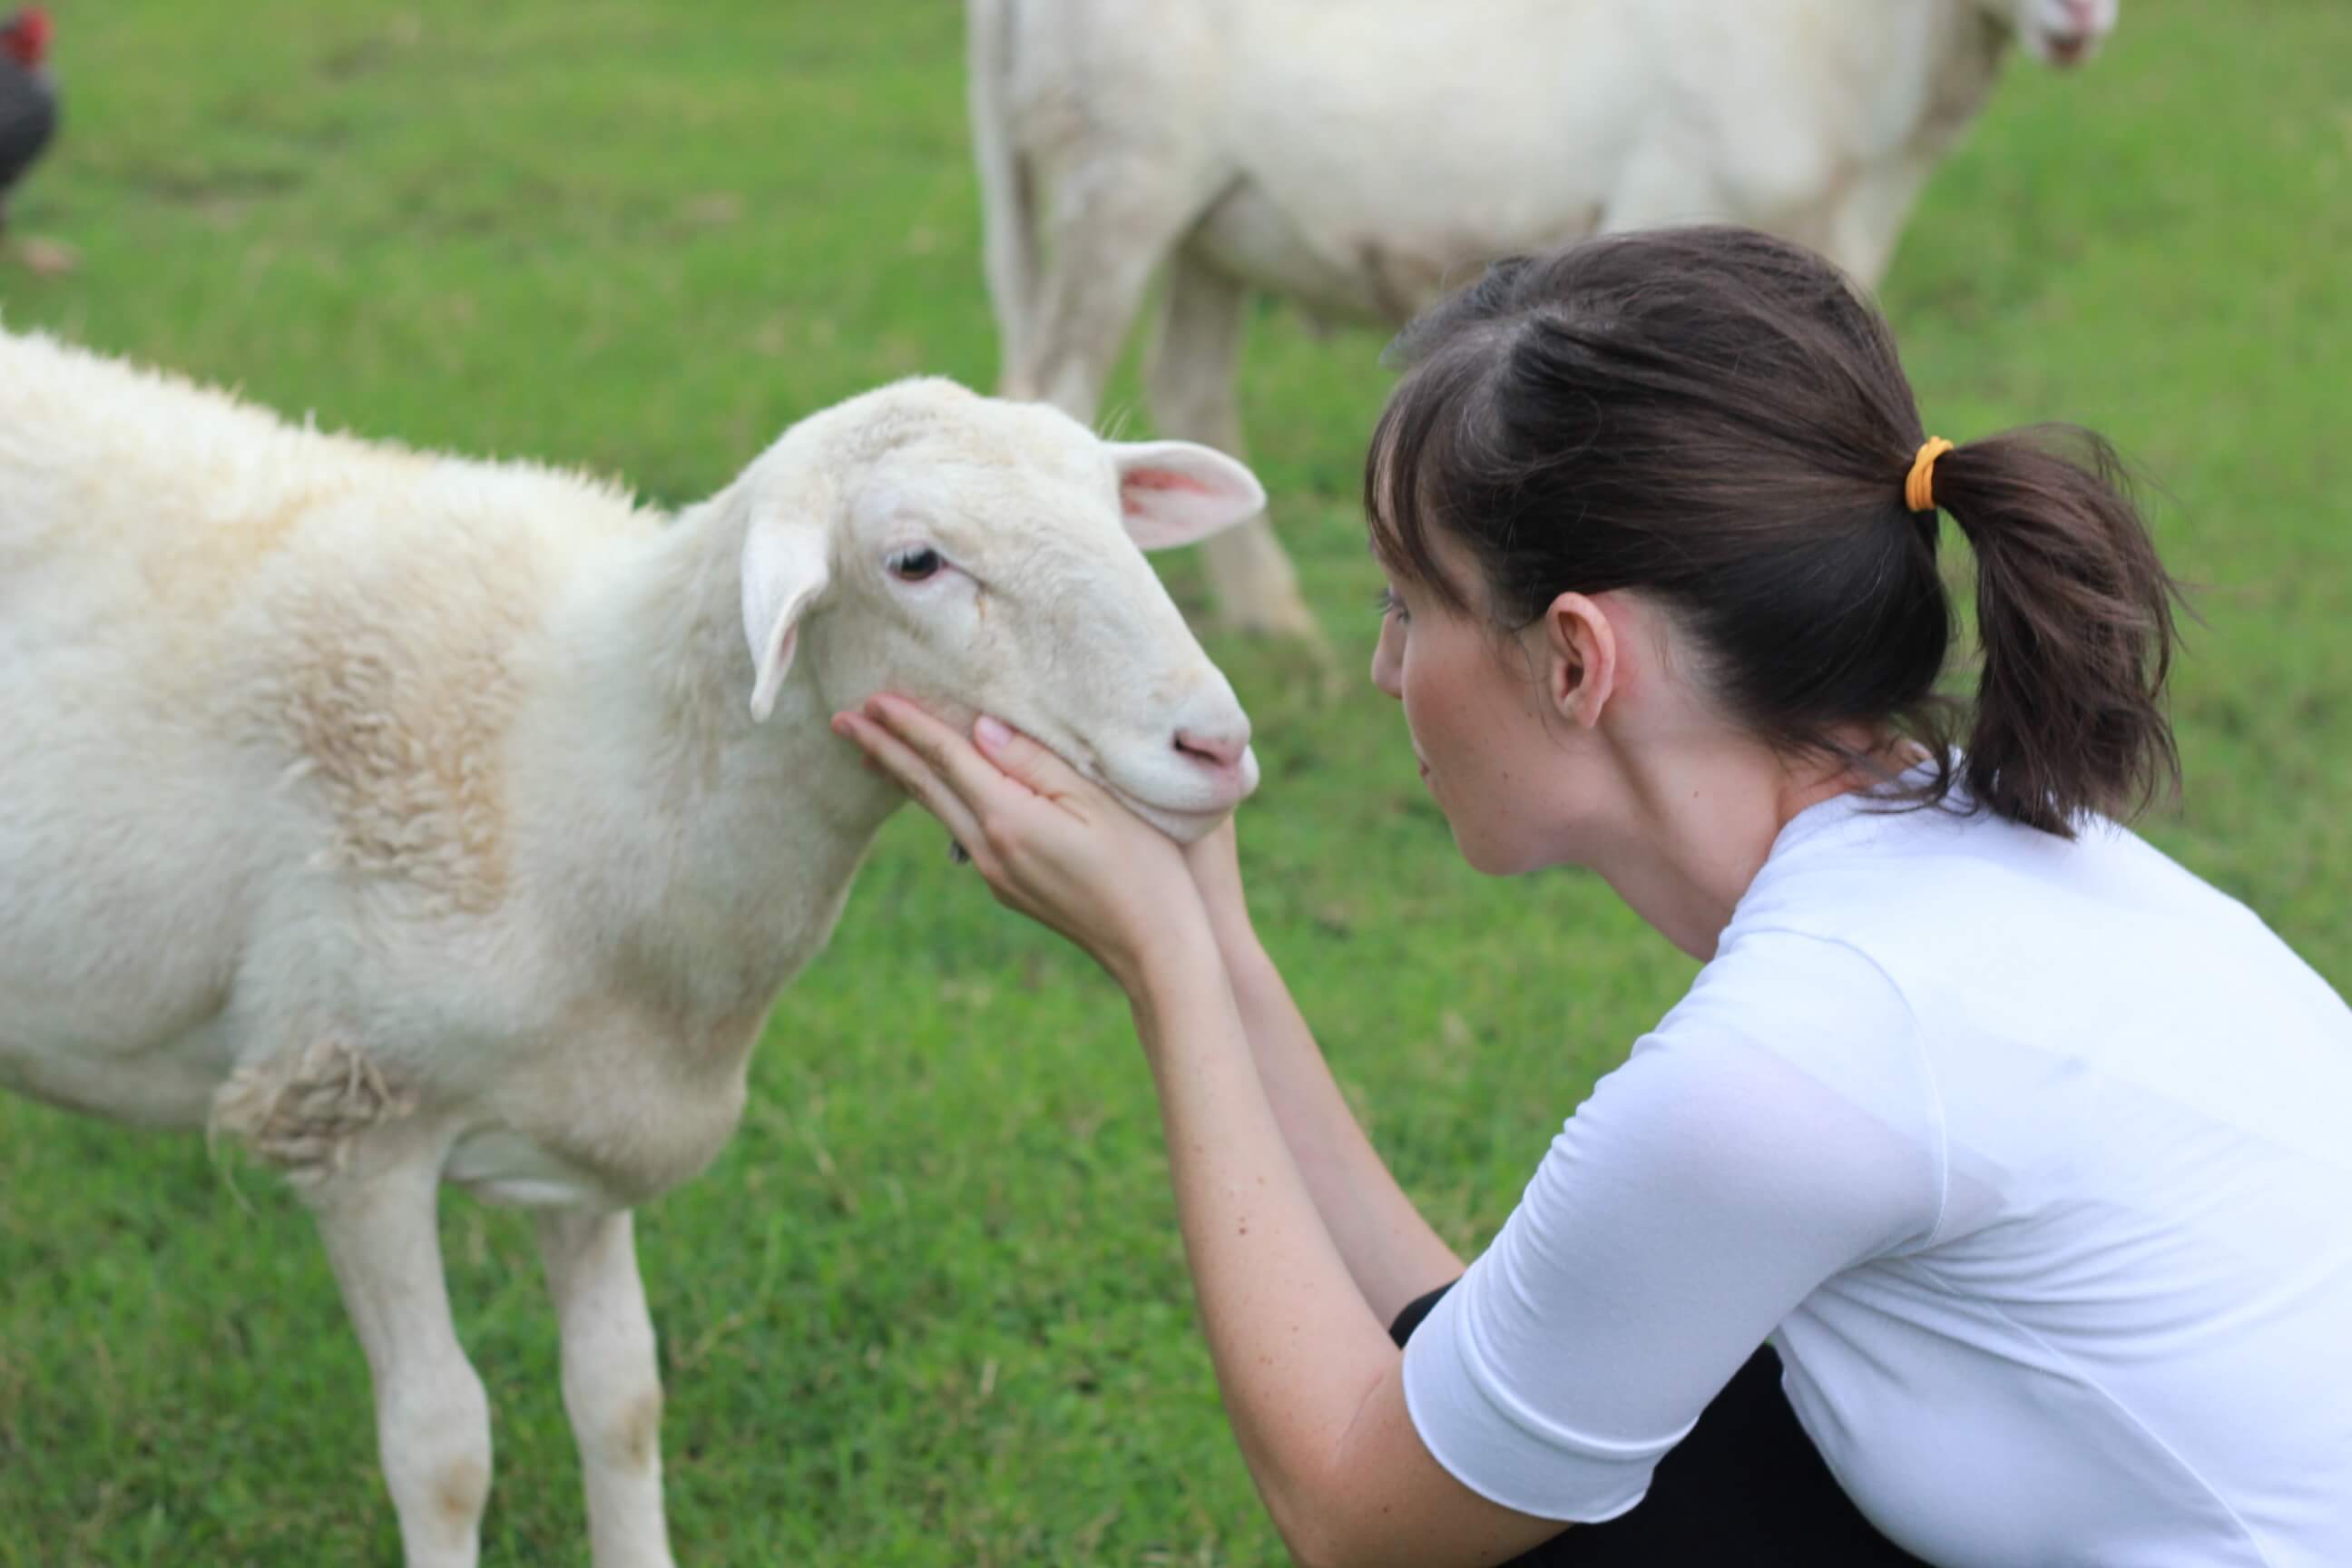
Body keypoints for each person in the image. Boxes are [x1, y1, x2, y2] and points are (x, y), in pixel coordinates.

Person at [832, 227, 2352, 1567]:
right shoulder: (1991, 872)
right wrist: (1218, 935)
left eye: (1405, 604)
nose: (1381, 671)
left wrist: (1166, 974)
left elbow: (1365, 1521)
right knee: (1601, 1461)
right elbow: (1473, 1386)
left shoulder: (1791, 1064)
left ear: (1574, 660)